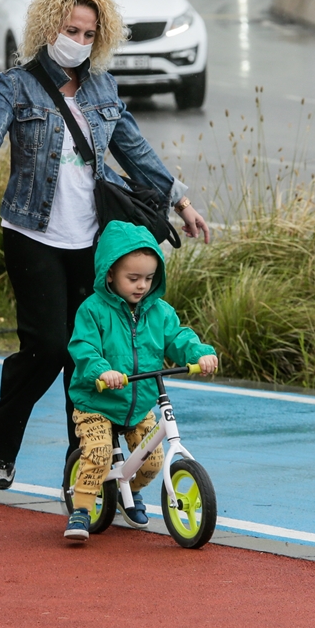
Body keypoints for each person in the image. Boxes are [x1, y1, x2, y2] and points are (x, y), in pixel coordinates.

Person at [0, 0, 211, 491]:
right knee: (46, 346)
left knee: (87, 352)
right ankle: (0, 436)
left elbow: (134, 151)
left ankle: (82, 467)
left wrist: (181, 201)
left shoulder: (102, 88)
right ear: (49, 26)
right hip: (32, 234)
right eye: (72, 30)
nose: (80, 42)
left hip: (91, 240)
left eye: (90, 34)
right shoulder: (15, 85)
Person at [63, 221, 218, 542]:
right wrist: (102, 370)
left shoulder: (159, 312)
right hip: (97, 402)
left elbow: (178, 337)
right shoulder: (93, 311)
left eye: (149, 278)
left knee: (152, 463)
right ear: (109, 275)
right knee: (98, 454)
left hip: (140, 401)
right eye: (132, 278)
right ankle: (81, 508)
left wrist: (200, 354)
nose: (141, 286)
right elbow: (84, 347)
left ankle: (125, 491)